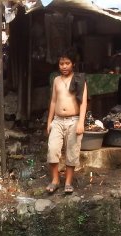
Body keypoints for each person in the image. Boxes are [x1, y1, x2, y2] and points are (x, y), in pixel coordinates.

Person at [46, 50, 88, 195]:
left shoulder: (79, 79)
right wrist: (49, 121)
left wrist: (81, 123)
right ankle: (55, 180)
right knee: (53, 149)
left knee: (72, 151)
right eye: (61, 63)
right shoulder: (56, 80)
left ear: (73, 64)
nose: (64, 66)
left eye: (67, 63)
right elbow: (53, 101)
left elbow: (83, 103)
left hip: (74, 120)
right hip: (57, 120)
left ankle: (68, 182)